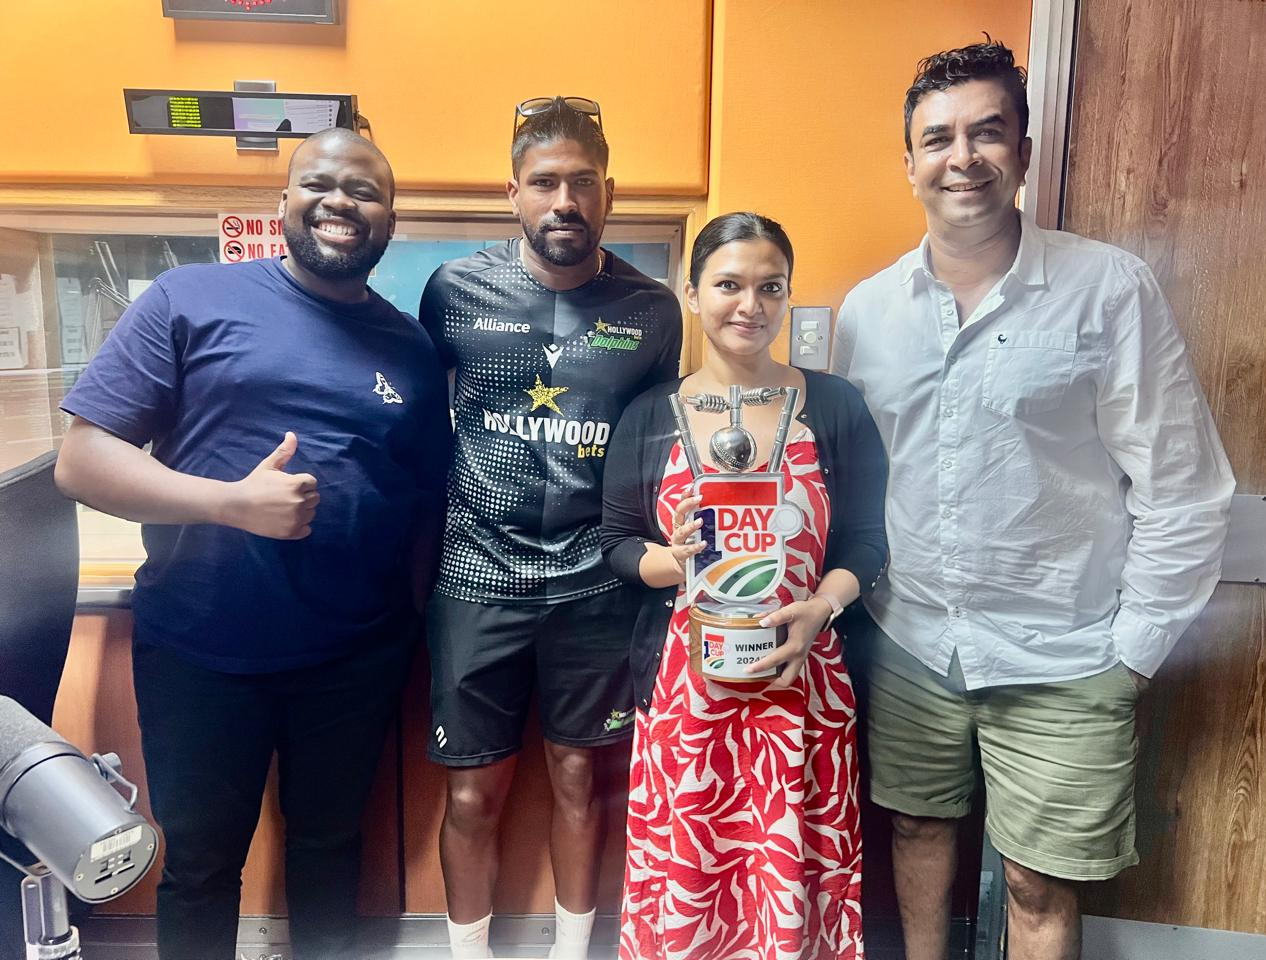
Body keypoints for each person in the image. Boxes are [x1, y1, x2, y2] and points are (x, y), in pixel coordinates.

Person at [832, 38, 1235, 960]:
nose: (962, 158)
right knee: (917, 835)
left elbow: (1183, 485)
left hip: (1066, 649)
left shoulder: (1107, 290)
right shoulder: (867, 312)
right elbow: (854, 481)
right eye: (937, 138)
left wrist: (1132, 651)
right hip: (911, 640)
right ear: (908, 163)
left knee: (1037, 882)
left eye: (987, 132)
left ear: (1022, 149)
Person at [53, 127, 451, 960]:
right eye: (320, 183)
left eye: (365, 192)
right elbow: (82, 461)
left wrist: (411, 627)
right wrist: (230, 503)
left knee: (331, 850)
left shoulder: (411, 349)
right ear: (284, 202)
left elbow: (422, 502)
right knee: (200, 866)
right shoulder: (189, 297)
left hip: (354, 658)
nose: (340, 202)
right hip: (200, 652)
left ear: (389, 220)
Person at [416, 96, 683, 960]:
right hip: (475, 578)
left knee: (578, 776)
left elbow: (660, 451)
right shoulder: (453, 290)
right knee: (472, 794)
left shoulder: (652, 309)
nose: (563, 200)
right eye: (544, 182)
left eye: (582, 181)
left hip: (595, 584)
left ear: (609, 191)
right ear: (513, 193)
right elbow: (416, 425)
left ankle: (572, 951)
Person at [601, 212, 889, 960]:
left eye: (771, 287)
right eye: (728, 284)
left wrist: (822, 607)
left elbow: (867, 540)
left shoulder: (834, 406)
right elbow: (617, 544)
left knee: (792, 867)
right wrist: (676, 561)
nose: (750, 305)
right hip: (687, 692)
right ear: (693, 293)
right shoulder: (648, 415)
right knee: (692, 868)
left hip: (803, 685)